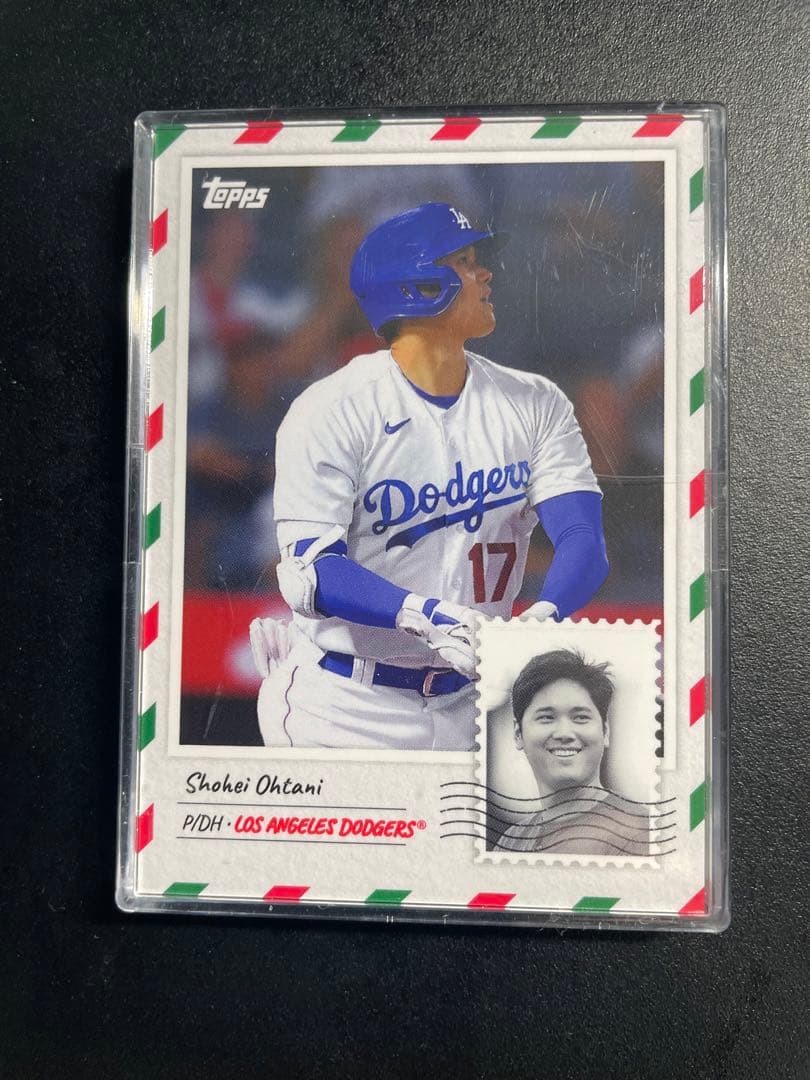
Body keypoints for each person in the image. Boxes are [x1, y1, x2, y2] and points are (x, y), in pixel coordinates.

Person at [251, 202, 609, 751]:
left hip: (473, 704)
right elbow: (311, 573)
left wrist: (539, 619)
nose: (485, 273)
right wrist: (425, 616)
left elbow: (584, 539)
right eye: (464, 262)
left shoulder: (535, 402)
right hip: (346, 704)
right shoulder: (331, 407)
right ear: (417, 286)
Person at [492, 650, 659, 855]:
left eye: (580, 717)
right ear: (518, 734)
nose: (564, 733)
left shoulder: (637, 832)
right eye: (547, 717)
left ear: (605, 732)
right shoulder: (511, 841)